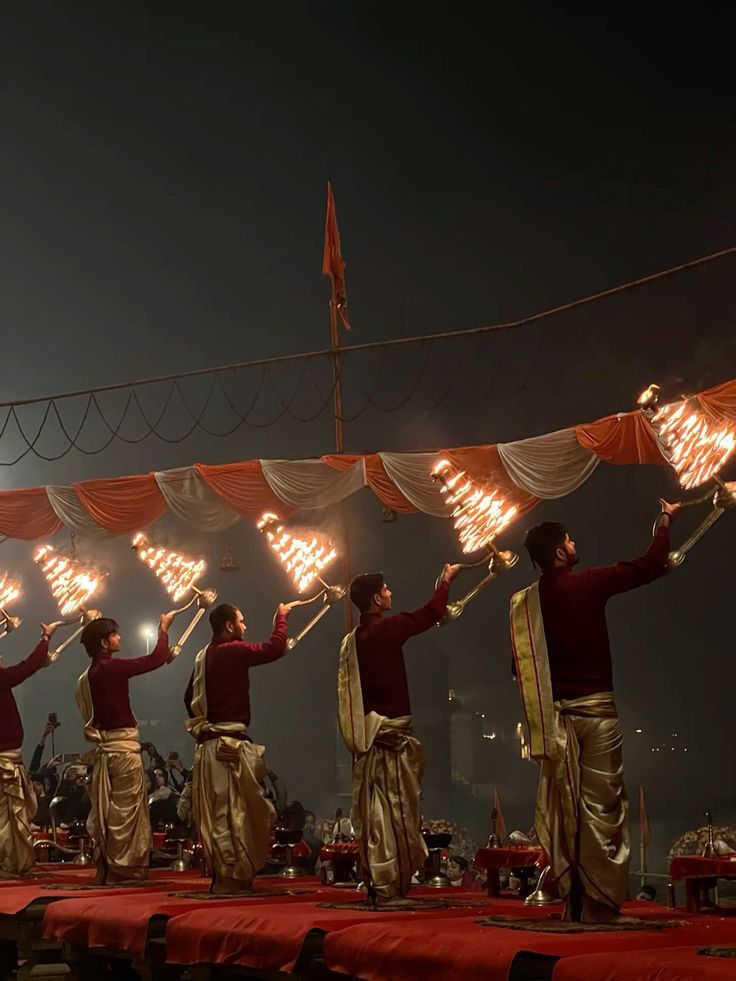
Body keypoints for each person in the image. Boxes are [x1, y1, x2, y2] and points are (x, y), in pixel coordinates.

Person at [510, 501, 679, 923]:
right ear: (560, 554)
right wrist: (665, 521)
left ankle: (571, 900)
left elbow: (519, 667)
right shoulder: (587, 585)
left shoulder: (523, 606)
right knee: (602, 810)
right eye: (569, 539)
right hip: (596, 716)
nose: (574, 543)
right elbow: (650, 565)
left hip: (554, 724)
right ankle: (600, 906)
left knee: (566, 811)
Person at [338, 565, 460, 905]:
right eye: (387, 589)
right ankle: (388, 887)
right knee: (395, 817)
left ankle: (383, 884)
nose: (391, 593)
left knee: (380, 818)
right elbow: (430, 613)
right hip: (389, 742)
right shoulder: (384, 631)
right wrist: (445, 580)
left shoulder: (354, 640)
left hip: (374, 741)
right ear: (377, 598)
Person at [184, 600, 293, 894]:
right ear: (229, 626)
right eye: (242, 621)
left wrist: (208, 727)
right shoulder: (232, 651)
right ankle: (232, 880)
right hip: (227, 747)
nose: (245, 627)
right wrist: (281, 618)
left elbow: (188, 699)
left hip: (209, 747)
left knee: (224, 814)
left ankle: (226, 879)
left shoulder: (202, 657)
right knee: (236, 815)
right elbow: (273, 648)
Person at [76, 611, 174, 884]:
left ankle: (109, 868)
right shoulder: (111, 668)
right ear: (105, 643)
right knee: (128, 813)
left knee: (112, 812)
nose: (120, 638)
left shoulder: (91, 674)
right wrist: (163, 629)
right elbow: (153, 659)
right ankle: (125, 870)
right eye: (115, 634)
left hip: (108, 752)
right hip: (122, 752)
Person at [0, 621, 63, 876]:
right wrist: (45, 638)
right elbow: (26, 668)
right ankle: (8, 863)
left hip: (9, 759)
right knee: (7, 819)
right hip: (5, 761)